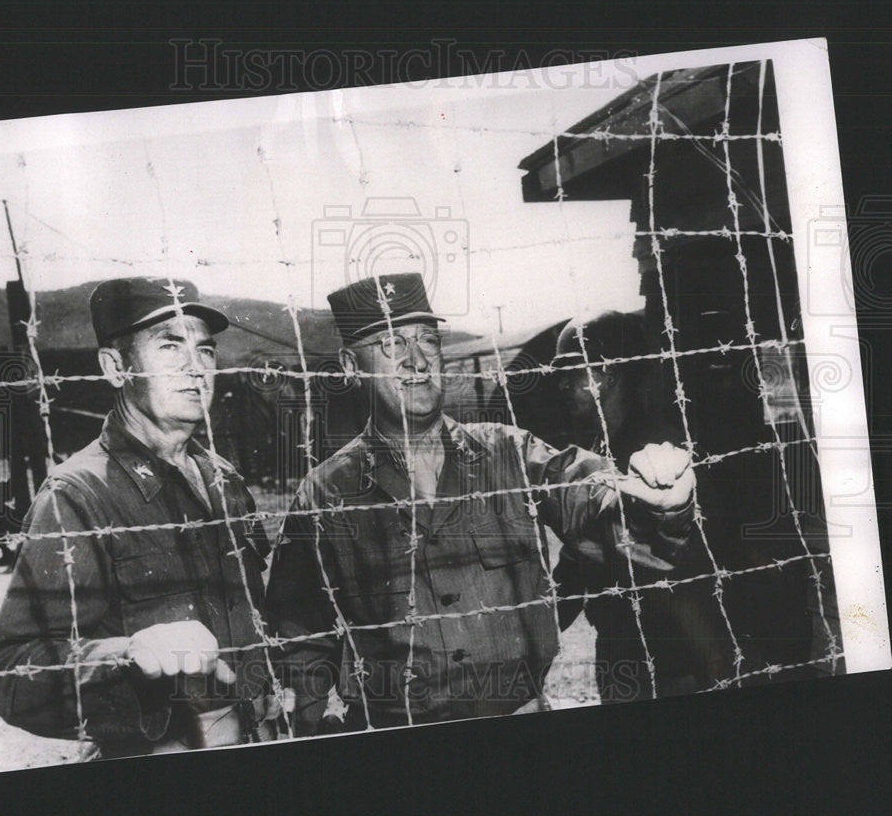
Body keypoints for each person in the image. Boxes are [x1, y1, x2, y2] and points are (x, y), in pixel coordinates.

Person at [265, 274, 698, 735]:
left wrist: (660, 502)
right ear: (352, 366)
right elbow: (299, 633)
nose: (417, 360)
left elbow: (594, 503)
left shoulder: (510, 453)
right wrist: (308, 722)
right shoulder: (326, 492)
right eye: (392, 344)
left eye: (428, 340)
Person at [0, 277, 279, 758]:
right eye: (169, 347)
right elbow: (9, 674)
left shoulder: (223, 479)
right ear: (115, 367)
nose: (194, 368)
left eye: (205, 351)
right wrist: (127, 654)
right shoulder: (79, 495)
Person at [552, 311, 733, 701]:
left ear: (609, 374)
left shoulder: (658, 457)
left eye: (573, 371)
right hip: (627, 647)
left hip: (669, 659)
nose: (562, 384)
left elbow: (690, 575)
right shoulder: (605, 447)